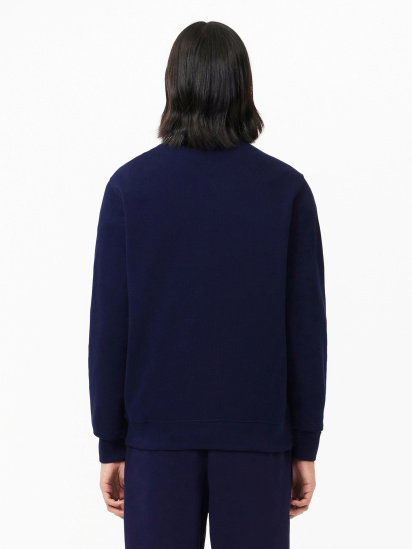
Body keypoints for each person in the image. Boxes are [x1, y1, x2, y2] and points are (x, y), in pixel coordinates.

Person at [88, 20, 327, 549]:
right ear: (242, 86)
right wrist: (304, 444)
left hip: (156, 440)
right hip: (259, 439)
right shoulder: (286, 191)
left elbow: (108, 328)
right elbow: (306, 330)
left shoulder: (129, 189)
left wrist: (111, 442)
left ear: (174, 85)